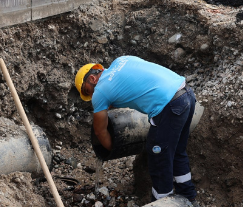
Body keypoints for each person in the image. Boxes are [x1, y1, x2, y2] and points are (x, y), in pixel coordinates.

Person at [76, 56, 200, 205]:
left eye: (87, 91)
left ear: (92, 79)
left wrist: (113, 149)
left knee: (159, 158)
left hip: (168, 106)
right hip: (186, 94)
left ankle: (161, 203)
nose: (90, 96)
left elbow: (100, 132)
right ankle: (188, 198)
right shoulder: (121, 61)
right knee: (177, 151)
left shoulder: (100, 91)